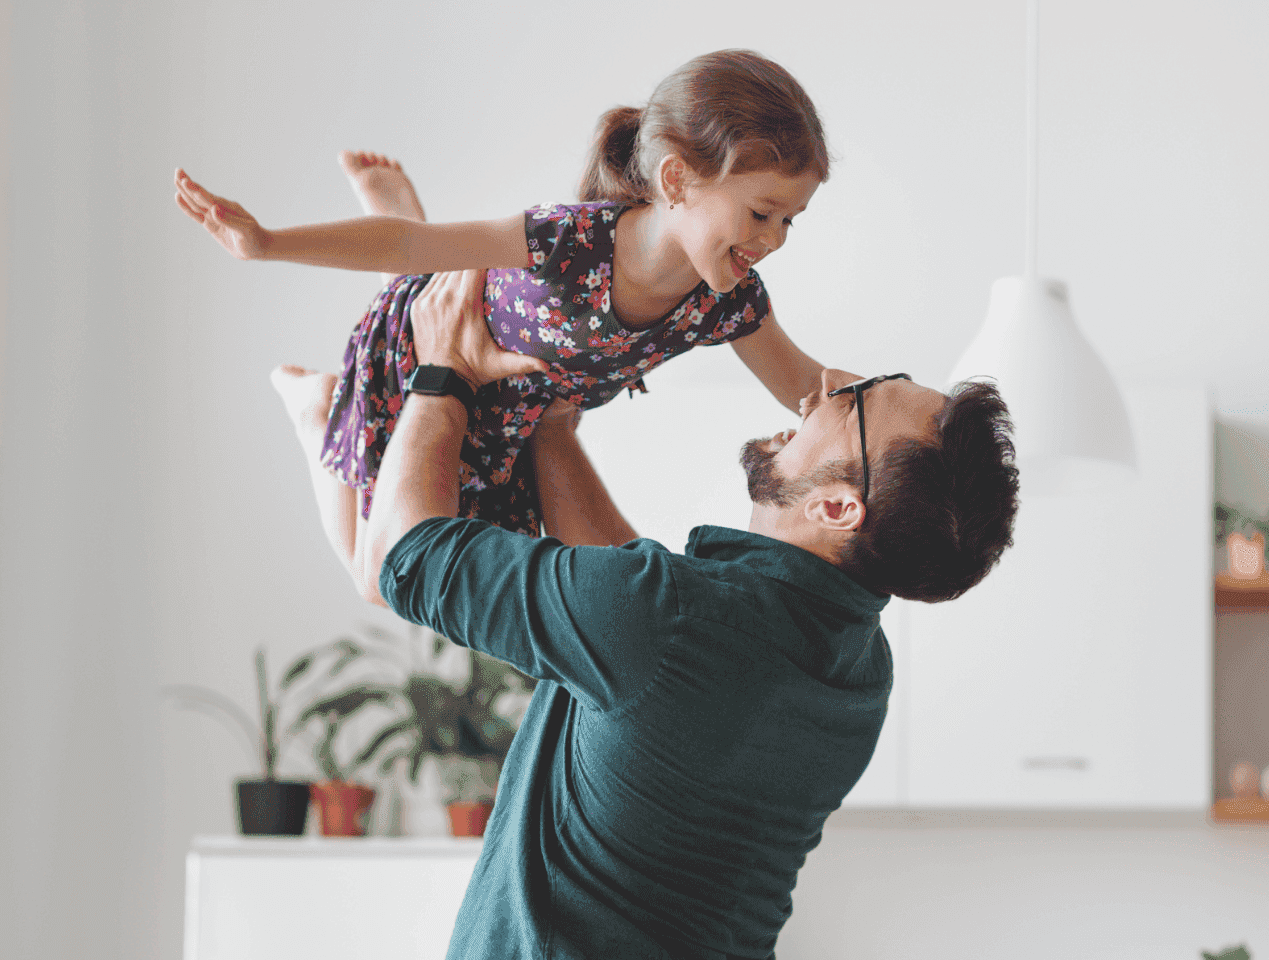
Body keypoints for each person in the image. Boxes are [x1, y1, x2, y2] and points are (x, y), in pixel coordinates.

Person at [345, 266, 1019, 959]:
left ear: (839, 507)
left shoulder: (669, 621)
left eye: (852, 403)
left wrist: (442, 373)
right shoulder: (855, 670)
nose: (825, 382)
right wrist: (553, 435)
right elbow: (643, 648)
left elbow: (404, 556)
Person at [174, 49, 834, 600]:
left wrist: (924, 413)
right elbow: (407, 244)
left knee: (438, 575)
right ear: (677, 179)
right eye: (761, 213)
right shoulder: (569, 241)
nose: (774, 239)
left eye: (789, 221)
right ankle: (316, 407)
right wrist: (265, 242)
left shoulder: (728, 300)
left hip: (508, 421)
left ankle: (413, 262)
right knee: (378, 581)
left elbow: (808, 384)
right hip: (421, 362)